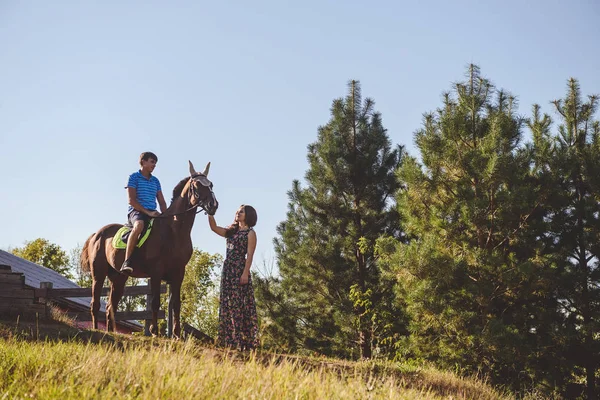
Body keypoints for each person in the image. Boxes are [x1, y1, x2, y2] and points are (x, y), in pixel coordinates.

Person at [209, 204, 259, 350]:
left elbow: (250, 255)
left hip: (239, 270)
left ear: (248, 215)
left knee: (239, 305)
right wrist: (210, 212)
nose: (238, 213)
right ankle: (229, 340)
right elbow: (214, 228)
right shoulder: (231, 231)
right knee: (228, 304)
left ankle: (242, 340)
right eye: (237, 211)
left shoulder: (250, 233)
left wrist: (245, 273)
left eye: (241, 212)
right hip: (228, 270)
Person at [120, 151, 167, 273]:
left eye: (155, 163)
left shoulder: (156, 181)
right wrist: (148, 213)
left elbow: (161, 201)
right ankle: (127, 261)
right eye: (152, 162)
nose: (154, 165)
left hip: (153, 212)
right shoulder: (133, 177)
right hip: (136, 212)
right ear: (143, 161)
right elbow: (131, 200)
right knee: (139, 225)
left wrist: (166, 215)